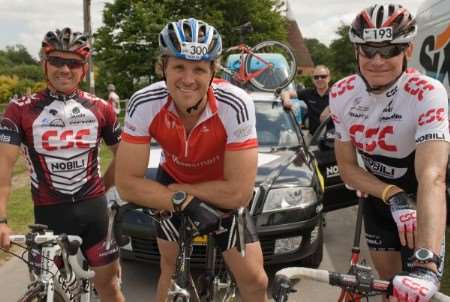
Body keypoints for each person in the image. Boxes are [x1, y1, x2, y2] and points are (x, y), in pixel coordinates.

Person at [115, 18, 268, 302]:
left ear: (213, 71)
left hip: (219, 188)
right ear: (163, 67)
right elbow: (126, 183)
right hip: (172, 189)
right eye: (178, 67)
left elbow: (238, 192)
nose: (188, 79)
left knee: (255, 280)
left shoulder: (235, 103)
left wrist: (181, 192)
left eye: (199, 69)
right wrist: (182, 199)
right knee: (170, 272)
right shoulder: (144, 102)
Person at [330, 4, 449, 302]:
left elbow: (432, 176)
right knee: (390, 286)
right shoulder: (341, 93)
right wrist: (393, 195)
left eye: (390, 50)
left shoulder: (427, 92)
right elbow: (346, 167)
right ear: (356, 51)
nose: (378, 60)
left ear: (408, 49)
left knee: (417, 290)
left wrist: (426, 262)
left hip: (422, 198)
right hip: (379, 198)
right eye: (369, 50)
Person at [0, 28, 124, 301]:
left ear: (84, 68)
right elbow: (3, 168)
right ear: (44, 64)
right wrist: (1, 219)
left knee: (110, 287)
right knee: (47, 292)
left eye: (74, 63)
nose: (64, 69)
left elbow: (124, 155)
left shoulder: (102, 107)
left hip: (94, 214)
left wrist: (104, 187)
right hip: (48, 218)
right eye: (56, 61)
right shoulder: (19, 109)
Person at [281, 65, 332, 135]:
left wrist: (330, 107)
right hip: (313, 138)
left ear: (329, 78)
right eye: (316, 77)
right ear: (313, 80)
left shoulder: (335, 94)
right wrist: (286, 101)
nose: (319, 79)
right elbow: (286, 92)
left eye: (323, 76)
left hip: (333, 137)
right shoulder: (308, 93)